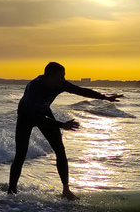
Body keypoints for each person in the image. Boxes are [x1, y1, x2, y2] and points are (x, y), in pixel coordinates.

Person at [8, 62, 122, 200]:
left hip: (43, 111)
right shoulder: (34, 88)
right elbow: (35, 118)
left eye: (64, 76)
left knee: (60, 150)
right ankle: (11, 191)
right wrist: (61, 125)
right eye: (61, 76)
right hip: (27, 116)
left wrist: (105, 98)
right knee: (21, 155)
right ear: (50, 75)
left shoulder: (60, 84)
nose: (63, 79)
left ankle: (66, 190)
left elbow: (81, 91)